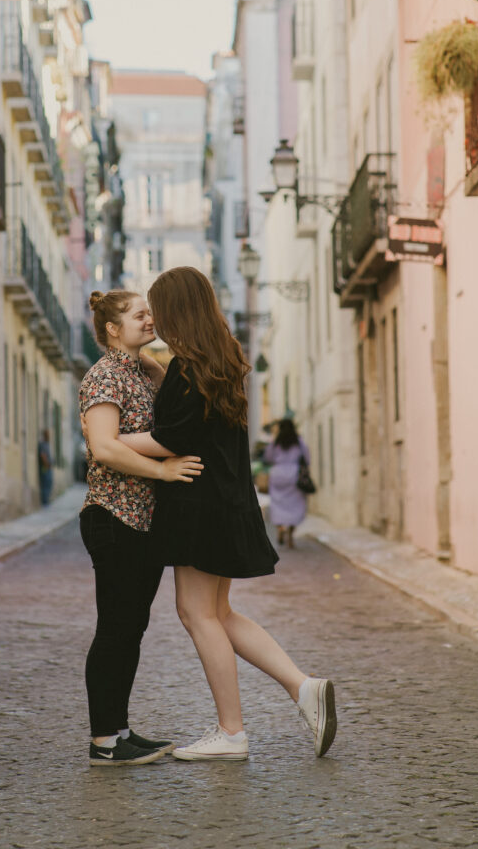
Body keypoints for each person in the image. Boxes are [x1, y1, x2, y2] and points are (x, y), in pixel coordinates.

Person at [118, 267, 337, 762]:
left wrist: (107, 443)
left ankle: (231, 732)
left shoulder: (188, 369)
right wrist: (158, 368)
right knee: (218, 613)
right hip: (225, 500)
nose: (153, 318)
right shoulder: (222, 359)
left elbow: (169, 437)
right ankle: (303, 688)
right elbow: (187, 417)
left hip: (197, 505)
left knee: (196, 614)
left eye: (158, 308)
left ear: (177, 310)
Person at [79, 288, 204, 767]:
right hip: (113, 516)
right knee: (115, 628)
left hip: (141, 520)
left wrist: (153, 360)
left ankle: (120, 729)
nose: (150, 319)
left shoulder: (136, 370)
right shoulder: (105, 375)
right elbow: (105, 447)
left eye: (149, 312)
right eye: (138, 315)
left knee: (131, 627)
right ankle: (103, 742)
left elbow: (168, 386)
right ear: (112, 329)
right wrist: (165, 472)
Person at [263, 415, 310, 548]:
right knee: (295, 505)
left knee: (278, 504)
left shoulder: (276, 442)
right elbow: (307, 458)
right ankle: (290, 534)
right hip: (293, 475)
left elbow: (268, 457)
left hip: (278, 474)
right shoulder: (298, 441)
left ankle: (280, 529)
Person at [37, 429, 54, 507]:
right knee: (45, 483)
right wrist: (47, 464)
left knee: (49, 483)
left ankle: (46, 500)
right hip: (45, 468)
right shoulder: (43, 444)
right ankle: (45, 502)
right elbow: (42, 455)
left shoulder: (47, 444)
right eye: (47, 435)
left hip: (48, 467)